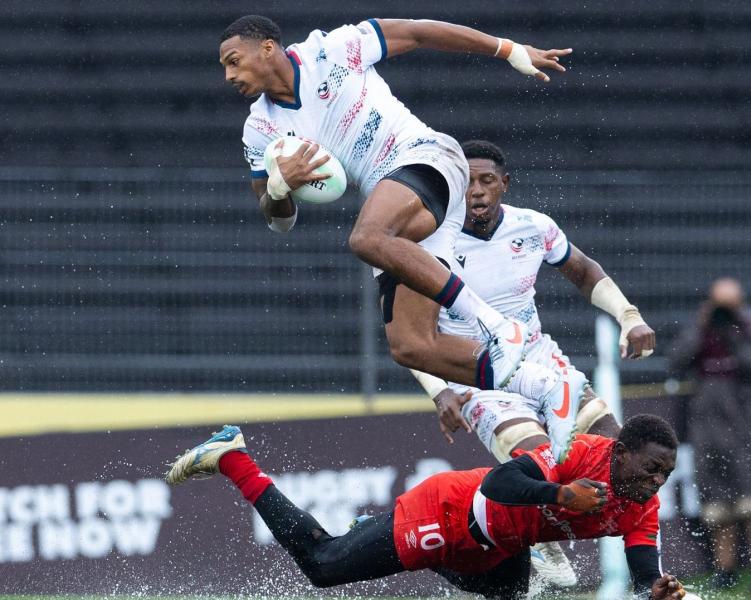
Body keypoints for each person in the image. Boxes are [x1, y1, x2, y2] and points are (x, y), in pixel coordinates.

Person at [219, 15, 575, 401]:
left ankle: (495, 325)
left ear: (268, 47)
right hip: (401, 208)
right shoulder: (261, 130)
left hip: (427, 158)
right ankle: (547, 388)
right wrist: (277, 187)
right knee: (411, 346)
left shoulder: (332, 50)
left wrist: (509, 49)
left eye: (233, 61)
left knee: (367, 237)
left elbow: (419, 32)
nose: (228, 76)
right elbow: (280, 221)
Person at [401, 140, 654, 587]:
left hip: (541, 359)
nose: (476, 191)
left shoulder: (532, 226)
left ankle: (646, 572)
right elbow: (408, 331)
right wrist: (439, 390)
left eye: (487, 181)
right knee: (534, 457)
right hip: (475, 372)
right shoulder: (428, 241)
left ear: (504, 184)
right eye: (467, 181)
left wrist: (628, 316)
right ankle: (542, 542)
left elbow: (582, 269)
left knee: (618, 450)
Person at [166, 415, 687, 600]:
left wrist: (656, 590)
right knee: (324, 567)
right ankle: (233, 457)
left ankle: (378, 529)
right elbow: (503, 482)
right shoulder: (580, 453)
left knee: (515, 596)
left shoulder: (641, 506)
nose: (656, 482)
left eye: (665, 474)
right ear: (619, 453)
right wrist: (559, 493)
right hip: (452, 512)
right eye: (650, 469)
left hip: (502, 546)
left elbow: (644, 574)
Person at [670, 277, 751, 595]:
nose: (724, 312)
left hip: (746, 424)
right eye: (719, 306)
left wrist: (738, 336)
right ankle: (723, 570)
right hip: (707, 427)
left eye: (730, 305)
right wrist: (702, 328)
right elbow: (676, 362)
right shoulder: (702, 327)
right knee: (716, 504)